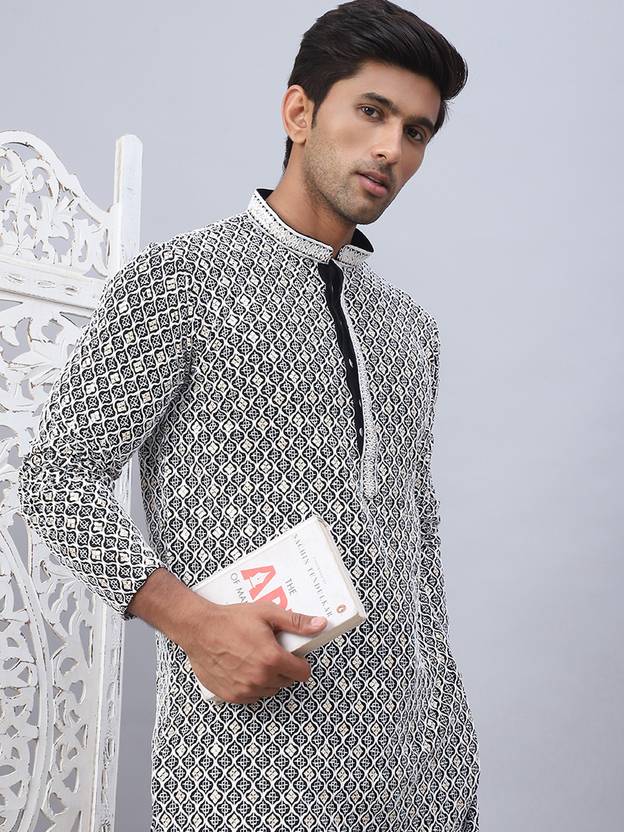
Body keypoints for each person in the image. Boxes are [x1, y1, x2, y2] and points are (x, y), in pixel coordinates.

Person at [17, 0, 480, 829]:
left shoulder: (412, 330)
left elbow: (420, 546)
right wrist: (194, 624)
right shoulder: (183, 280)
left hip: (415, 779)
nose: (391, 148)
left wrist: (451, 763)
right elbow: (58, 479)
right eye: (372, 112)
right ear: (299, 112)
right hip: (246, 771)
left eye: (416, 132)